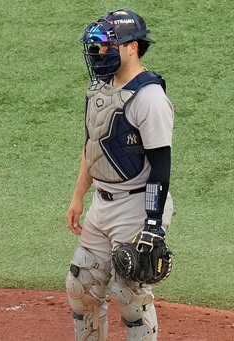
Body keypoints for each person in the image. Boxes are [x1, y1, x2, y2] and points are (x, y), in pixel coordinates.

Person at [64, 8, 174, 341]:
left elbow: (160, 165)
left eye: (106, 45)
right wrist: (78, 195)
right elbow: (93, 147)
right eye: (96, 46)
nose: (99, 53)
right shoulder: (99, 88)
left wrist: (152, 225)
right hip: (102, 202)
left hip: (137, 205)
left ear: (132, 47)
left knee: (129, 296)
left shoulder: (150, 97)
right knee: (81, 287)